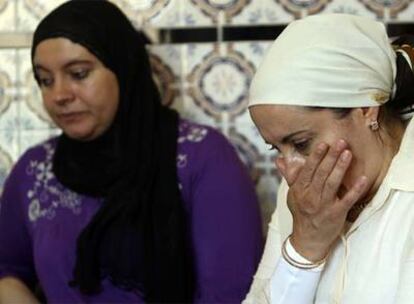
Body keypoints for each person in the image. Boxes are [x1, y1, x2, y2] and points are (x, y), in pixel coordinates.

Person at [0, 1, 263, 303]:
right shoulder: (34, 171)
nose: (59, 95)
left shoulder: (203, 158)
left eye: (79, 73)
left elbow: (230, 291)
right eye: (45, 80)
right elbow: (7, 270)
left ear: (123, 68)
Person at [243, 14, 414, 304]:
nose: (291, 173)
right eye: (276, 149)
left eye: (301, 143)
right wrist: (303, 248)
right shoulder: (302, 198)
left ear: (365, 110)